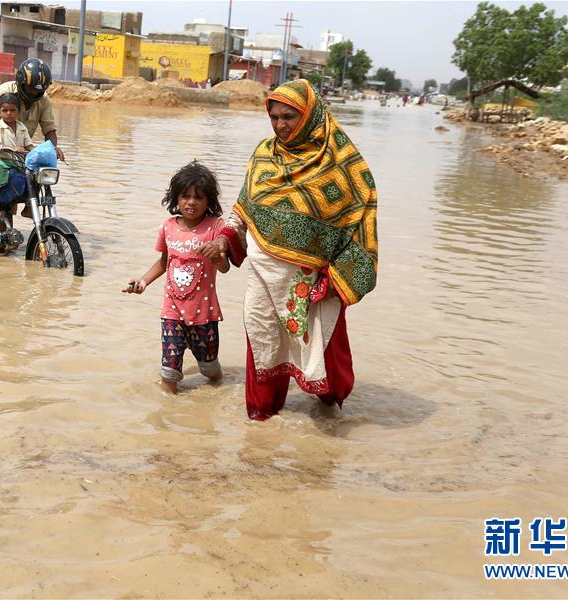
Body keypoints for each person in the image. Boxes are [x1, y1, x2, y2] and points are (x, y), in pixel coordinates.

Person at [200, 79, 378, 420]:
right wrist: (224, 237)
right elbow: (243, 207)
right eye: (275, 117)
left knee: (320, 354)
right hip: (263, 273)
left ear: (310, 115)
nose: (280, 125)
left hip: (311, 281)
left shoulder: (342, 162)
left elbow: (359, 219)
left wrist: (338, 274)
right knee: (263, 338)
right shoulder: (264, 154)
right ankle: (261, 421)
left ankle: (329, 416)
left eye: (289, 116)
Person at [123, 161, 230, 393]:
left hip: (204, 313)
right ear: (176, 198)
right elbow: (164, 261)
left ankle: (217, 395)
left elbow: (225, 268)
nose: (191, 202)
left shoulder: (215, 227)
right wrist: (143, 281)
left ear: (209, 201)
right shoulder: (168, 227)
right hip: (172, 312)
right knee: (169, 372)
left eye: (199, 197)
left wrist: (217, 256)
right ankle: (168, 413)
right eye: (185, 196)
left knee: (210, 371)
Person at [0, 58, 65, 177]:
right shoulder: (4, 91)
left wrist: (52, 149)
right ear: (21, 83)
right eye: (31, 88)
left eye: (38, 90)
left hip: (19, 153)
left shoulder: (44, 99)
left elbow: (49, 128)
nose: (34, 93)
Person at [0, 93, 34, 223]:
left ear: (18, 112)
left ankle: (28, 206)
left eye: (12, 110)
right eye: (5, 110)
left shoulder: (22, 127)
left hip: (19, 163)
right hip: (2, 159)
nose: (9, 113)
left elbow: (30, 146)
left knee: (36, 174)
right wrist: (15, 149)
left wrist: (42, 151)